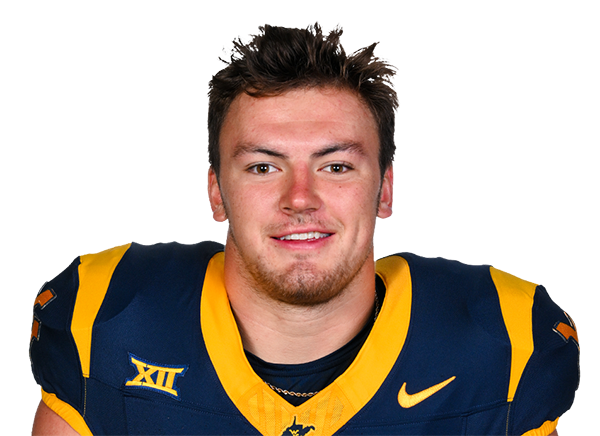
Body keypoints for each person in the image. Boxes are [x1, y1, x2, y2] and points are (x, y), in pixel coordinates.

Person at [30, 23, 578, 436]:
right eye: (262, 167)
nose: (300, 198)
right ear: (217, 193)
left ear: (385, 190)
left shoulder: (503, 345)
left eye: (335, 166)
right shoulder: (105, 318)